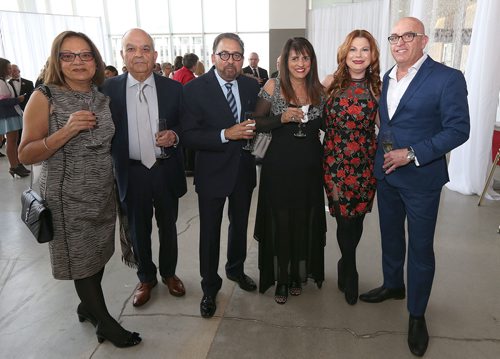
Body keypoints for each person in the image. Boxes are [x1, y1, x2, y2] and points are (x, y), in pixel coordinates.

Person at [17, 31, 141, 348]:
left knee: (97, 255)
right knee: (81, 260)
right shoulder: (44, 97)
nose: (78, 62)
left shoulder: (101, 97)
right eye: (68, 55)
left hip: (101, 192)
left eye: (85, 55)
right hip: (66, 195)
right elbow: (26, 153)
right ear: (57, 60)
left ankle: (87, 307)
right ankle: (106, 323)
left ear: (96, 60)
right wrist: (67, 131)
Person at [358, 17, 470, 357]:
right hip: (387, 175)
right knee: (391, 237)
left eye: (409, 35)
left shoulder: (447, 78)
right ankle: (393, 285)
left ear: (423, 41)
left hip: (421, 178)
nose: (400, 42)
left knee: (420, 249)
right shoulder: (385, 78)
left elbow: (458, 129)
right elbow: (389, 120)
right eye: (394, 36)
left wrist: (413, 154)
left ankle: (417, 314)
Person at [101, 28, 187, 307]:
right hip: (131, 171)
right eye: (132, 49)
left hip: (165, 168)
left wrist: (174, 135)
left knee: (168, 226)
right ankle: (146, 277)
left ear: (155, 55)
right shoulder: (108, 90)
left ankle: (169, 274)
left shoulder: (173, 88)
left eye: (145, 49)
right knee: (138, 229)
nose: (139, 55)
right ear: (122, 55)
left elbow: (186, 125)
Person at [182, 32, 260, 318]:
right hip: (212, 172)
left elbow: (258, 123)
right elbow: (188, 136)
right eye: (224, 54)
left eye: (237, 55)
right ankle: (209, 286)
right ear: (212, 56)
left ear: (243, 58)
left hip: (243, 171)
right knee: (210, 232)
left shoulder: (251, 87)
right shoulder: (194, 90)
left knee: (239, 226)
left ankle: (236, 270)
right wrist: (225, 135)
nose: (231, 61)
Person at [253, 37, 326, 305]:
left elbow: (328, 126)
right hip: (278, 167)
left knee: (303, 221)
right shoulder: (273, 86)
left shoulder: (319, 89)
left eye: (305, 58)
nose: (300, 63)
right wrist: (280, 118)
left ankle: (298, 275)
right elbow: (256, 123)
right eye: (295, 58)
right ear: (285, 61)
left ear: (311, 61)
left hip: (309, 168)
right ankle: (282, 278)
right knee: (281, 222)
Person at [323, 30, 381, 306]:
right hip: (334, 163)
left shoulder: (378, 88)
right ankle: (352, 268)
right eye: (353, 50)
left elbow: (387, 128)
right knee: (343, 217)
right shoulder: (330, 83)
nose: (358, 56)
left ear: (372, 56)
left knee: (356, 218)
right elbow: (314, 118)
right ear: (344, 54)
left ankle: (344, 262)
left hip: (365, 164)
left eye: (365, 50)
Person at [0, 58, 29, 177]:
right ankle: (13, 166)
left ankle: (17, 163)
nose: (10, 70)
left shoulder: (4, 81)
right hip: (7, 115)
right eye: (8, 68)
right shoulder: (0, 83)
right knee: (11, 142)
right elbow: (2, 102)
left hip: (12, 114)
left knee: (14, 141)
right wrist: (19, 99)